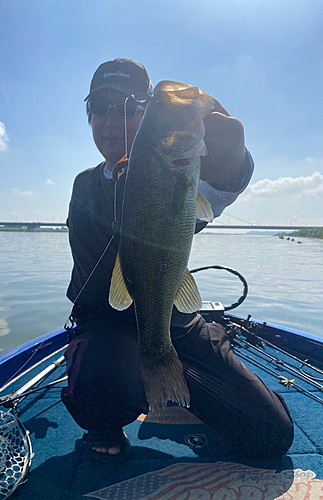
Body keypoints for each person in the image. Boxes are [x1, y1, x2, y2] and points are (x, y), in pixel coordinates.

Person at [61, 58, 294, 463]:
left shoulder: (178, 170)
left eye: (129, 106)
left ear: (149, 114)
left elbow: (224, 179)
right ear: (89, 116)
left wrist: (233, 157)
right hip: (108, 327)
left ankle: (178, 384)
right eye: (102, 105)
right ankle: (136, 397)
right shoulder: (84, 186)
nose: (113, 117)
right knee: (95, 389)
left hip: (177, 326)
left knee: (271, 435)